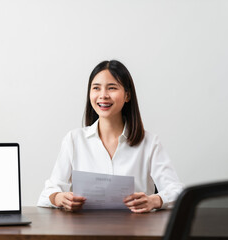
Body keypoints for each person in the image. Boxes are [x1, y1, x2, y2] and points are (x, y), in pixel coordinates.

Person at [37, 60, 184, 213]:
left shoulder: (149, 142)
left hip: (136, 230)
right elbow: (47, 194)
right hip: (85, 232)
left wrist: (154, 200)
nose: (103, 95)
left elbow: (177, 191)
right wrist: (59, 198)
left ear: (127, 95)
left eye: (112, 88)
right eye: (96, 88)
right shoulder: (74, 140)